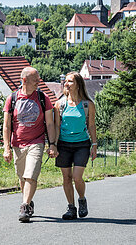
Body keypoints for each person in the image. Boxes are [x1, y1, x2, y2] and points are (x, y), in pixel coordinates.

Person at [3, 67, 57, 223]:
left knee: (31, 175)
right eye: (35, 81)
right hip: (17, 144)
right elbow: (6, 126)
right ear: (24, 80)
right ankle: (28, 200)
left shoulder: (42, 98)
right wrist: (6, 148)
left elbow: (50, 123)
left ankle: (25, 206)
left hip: (36, 142)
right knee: (22, 177)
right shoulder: (12, 99)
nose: (38, 83)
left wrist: (52, 144)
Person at [54, 72, 97, 220]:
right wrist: (53, 145)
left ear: (78, 84)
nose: (66, 84)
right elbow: (56, 126)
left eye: (70, 81)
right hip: (63, 145)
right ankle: (71, 208)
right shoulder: (60, 104)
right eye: (66, 81)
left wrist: (95, 144)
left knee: (77, 177)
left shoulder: (88, 105)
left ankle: (82, 199)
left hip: (82, 144)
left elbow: (91, 126)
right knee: (66, 178)